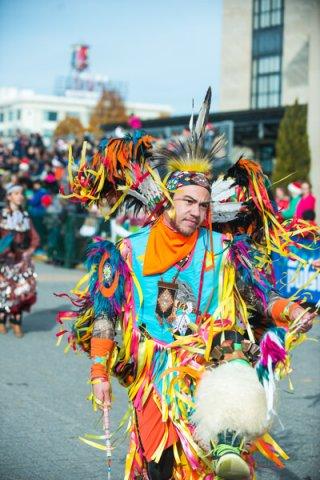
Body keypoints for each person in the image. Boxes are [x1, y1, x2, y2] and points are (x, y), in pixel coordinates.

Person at [58, 89, 318, 479]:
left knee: (224, 413)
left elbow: (259, 297)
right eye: (187, 202)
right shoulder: (128, 251)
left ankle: (225, 446)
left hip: (205, 358)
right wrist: (98, 372)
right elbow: (105, 316)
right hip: (154, 370)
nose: (195, 212)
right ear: (168, 199)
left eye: (203, 205)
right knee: (159, 464)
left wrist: (292, 310)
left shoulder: (223, 247)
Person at [0, 184, 39, 336]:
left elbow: (34, 237)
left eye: (21, 193)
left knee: (22, 290)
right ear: (9, 196)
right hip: (5, 260)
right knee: (5, 290)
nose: (20, 196)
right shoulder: (2, 216)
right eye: (16, 193)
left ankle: (17, 321)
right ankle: (2, 319)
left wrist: (29, 251)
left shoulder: (25, 216)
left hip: (22, 260)